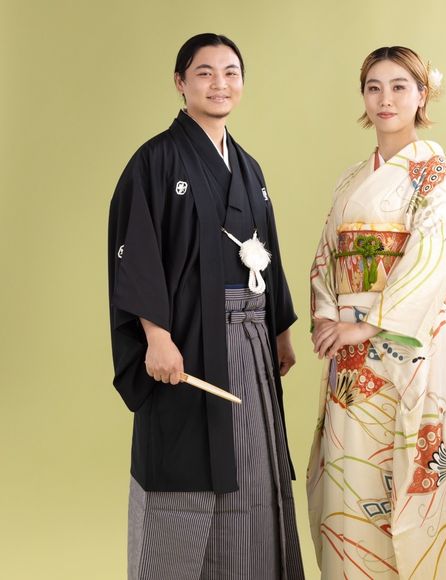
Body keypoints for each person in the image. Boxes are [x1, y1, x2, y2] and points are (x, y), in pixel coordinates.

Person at [108, 33, 304, 580]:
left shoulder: (249, 168)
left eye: (231, 73)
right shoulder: (155, 160)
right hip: (188, 339)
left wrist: (280, 331)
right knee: (185, 463)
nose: (220, 84)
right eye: (205, 72)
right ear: (180, 82)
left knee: (252, 464)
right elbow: (137, 252)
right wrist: (156, 337)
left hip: (251, 340)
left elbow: (267, 252)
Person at [306, 46, 446, 579]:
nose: (385, 99)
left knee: (408, 463)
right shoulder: (350, 179)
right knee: (350, 471)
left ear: (421, 95)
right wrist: (325, 316)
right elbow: (327, 255)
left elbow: (430, 259)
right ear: (363, 98)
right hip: (347, 348)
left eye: (398, 87)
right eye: (373, 87)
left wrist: (367, 324)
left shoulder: (435, 175)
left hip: (403, 344)